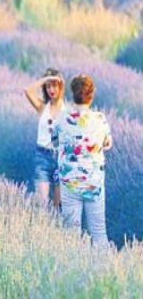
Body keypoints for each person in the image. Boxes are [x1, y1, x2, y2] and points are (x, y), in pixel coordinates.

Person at [52, 74, 112, 247]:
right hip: (94, 183)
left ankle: (74, 263)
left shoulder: (62, 118)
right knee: (99, 233)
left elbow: (54, 142)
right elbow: (107, 143)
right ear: (91, 95)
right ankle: (105, 264)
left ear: (73, 94)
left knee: (71, 236)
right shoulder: (100, 119)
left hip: (70, 182)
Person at [24, 68, 65, 207]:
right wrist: (46, 79)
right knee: (42, 203)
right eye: (48, 86)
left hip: (61, 158)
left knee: (58, 206)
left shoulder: (68, 111)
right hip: (42, 157)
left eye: (54, 85)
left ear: (60, 86)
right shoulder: (42, 107)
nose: (51, 89)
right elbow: (28, 90)